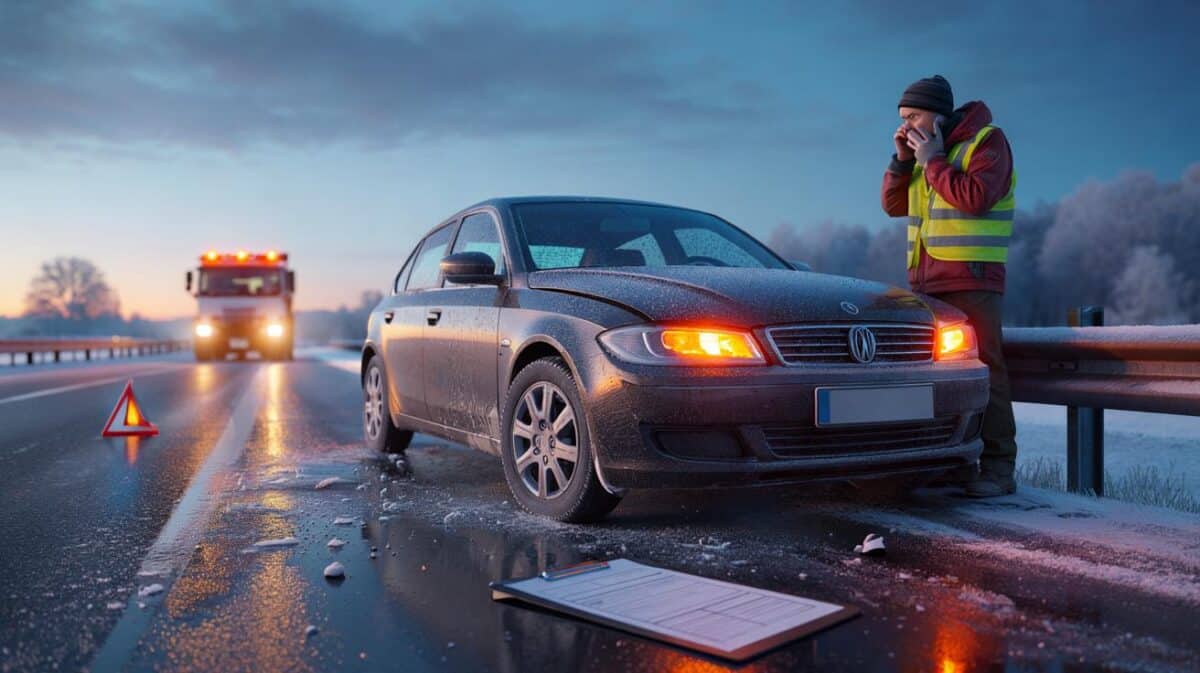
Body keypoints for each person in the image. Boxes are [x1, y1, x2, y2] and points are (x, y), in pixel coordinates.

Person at [881, 75, 1018, 497]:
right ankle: (951, 463)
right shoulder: (924, 154)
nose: (907, 125)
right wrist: (904, 160)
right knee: (936, 381)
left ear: (938, 115)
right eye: (902, 119)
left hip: (972, 280)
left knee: (984, 373)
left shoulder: (987, 142)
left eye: (914, 116)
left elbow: (976, 198)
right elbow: (893, 205)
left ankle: (998, 469)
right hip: (926, 286)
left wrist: (933, 160)